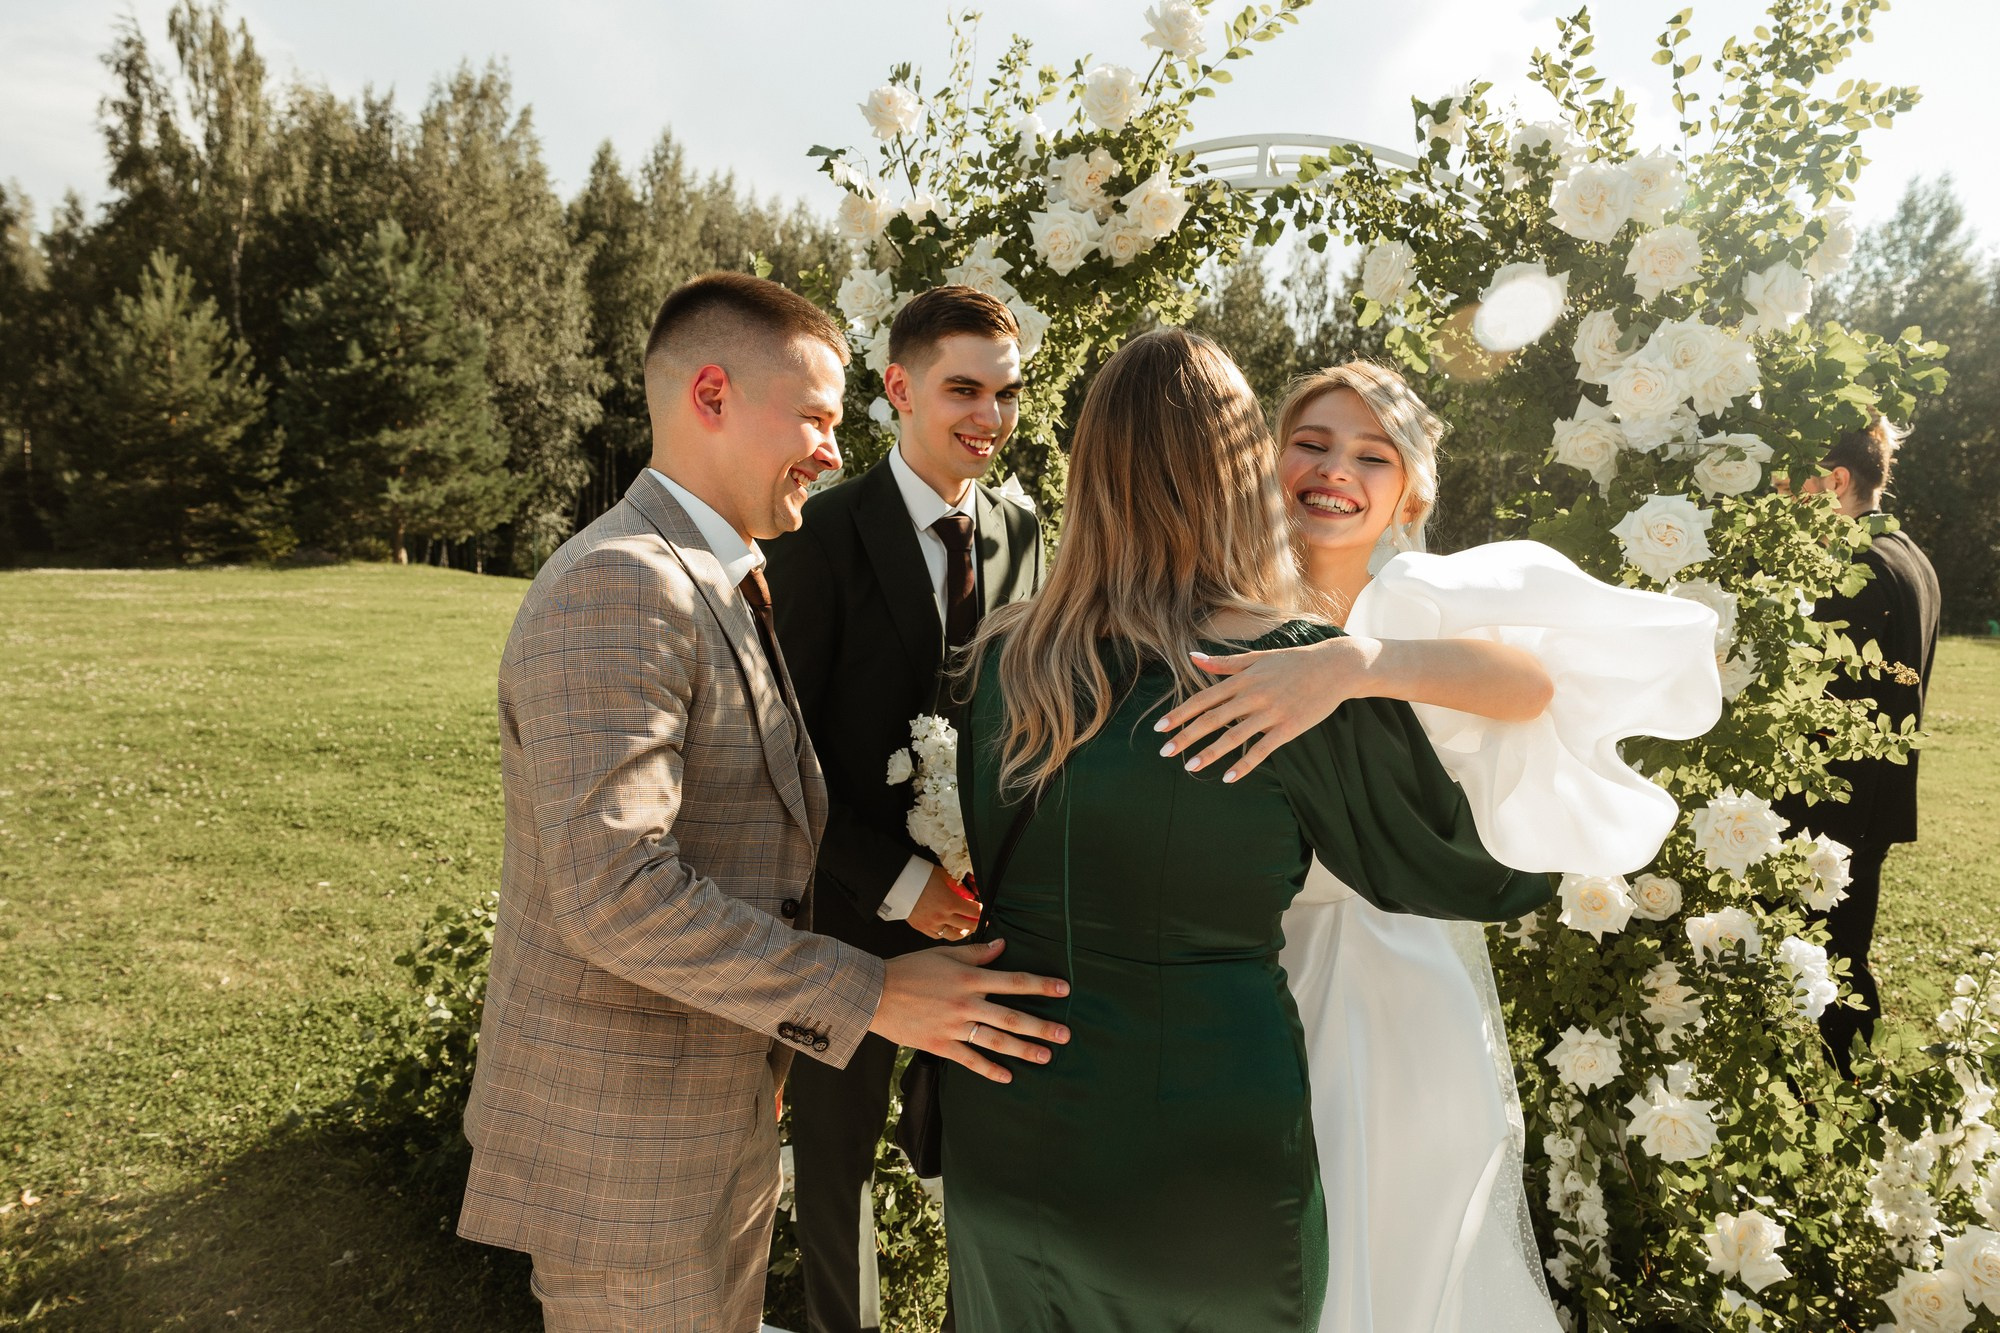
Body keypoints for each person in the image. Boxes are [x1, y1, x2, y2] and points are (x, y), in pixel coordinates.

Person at [456, 271, 1070, 1333]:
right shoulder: (623, 585)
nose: (834, 450)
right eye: (817, 419)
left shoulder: (716, 573)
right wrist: (870, 995)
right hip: (631, 1156)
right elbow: (617, 896)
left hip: (708, 1110)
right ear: (710, 395)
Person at [940, 328, 1558, 1333]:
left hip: (1007, 1132)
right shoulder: (1286, 672)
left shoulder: (1012, 657)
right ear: (1240, 473)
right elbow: (1486, 878)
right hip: (1199, 1159)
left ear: (1087, 466)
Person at [1155, 361, 1722, 1333]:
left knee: (1378, 1259)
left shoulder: (1413, 600)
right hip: (1224, 982)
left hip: (1385, 987)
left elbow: (1528, 684)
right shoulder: (1203, 601)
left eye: (1370, 455)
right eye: (1310, 442)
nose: (1334, 468)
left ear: (1408, 492)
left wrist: (1355, 665)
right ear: (1262, 460)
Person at [762, 284, 1046, 1333]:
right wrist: (896, 880)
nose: (989, 415)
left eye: (1005, 393)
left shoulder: (1019, 528)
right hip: (844, 913)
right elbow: (777, 759)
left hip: (983, 913)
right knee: (835, 1170)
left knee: (981, 1146)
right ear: (897, 390)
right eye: (963, 389)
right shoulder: (824, 536)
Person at [1776, 413, 1941, 1075]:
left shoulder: (1860, 569)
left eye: (1795, 488)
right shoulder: (1912, 557)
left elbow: (1828, 699)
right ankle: (1854, 1086)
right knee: (1846, 959)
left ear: (1837, 480)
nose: (1786, 505)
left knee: (1831, 970)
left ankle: (1853, 1090)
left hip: (1831, 809)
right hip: (1875, 800)